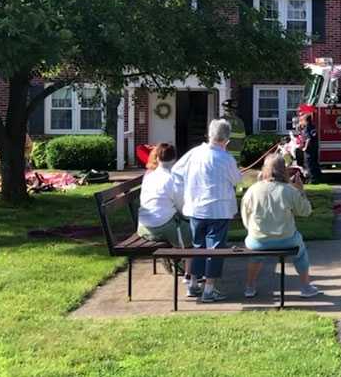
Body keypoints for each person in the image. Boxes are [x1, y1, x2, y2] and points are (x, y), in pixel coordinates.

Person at [172, 119, 242, 303]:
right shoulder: (226, 158)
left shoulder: (194, 153)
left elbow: (176, 172)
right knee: (215, 249)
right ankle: (209, 289)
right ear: (226, 140)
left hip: (196, 208)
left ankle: (193, 284)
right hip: (218, 210)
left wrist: (186, 191)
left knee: (198, 246)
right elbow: (236, 180)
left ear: (209, 135)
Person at [241, 154, 321, 299]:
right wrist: (301, 191)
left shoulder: (252, 190)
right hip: (286, 239)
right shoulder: (289, 190)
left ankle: (250, 286)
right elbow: (305, 212)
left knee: (254, 256)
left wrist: (252, 231)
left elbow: (245, 217)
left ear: (264, 169)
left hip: (258, 240)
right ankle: (305, 286)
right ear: (284, 170)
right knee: (300, 251)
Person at [136, 143, 194, 284]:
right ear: (174, 159)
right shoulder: (172, 178)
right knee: (194, 236)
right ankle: (189, 276)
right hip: (162, 226)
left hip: (143, 226)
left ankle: (178, 265)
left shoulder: (149, 176)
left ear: (158, 157)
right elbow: (182, 207)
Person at [221, 99, 246, 165]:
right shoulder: (240, 122)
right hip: (236, 157)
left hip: (223, 155)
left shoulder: (220, 121)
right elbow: (243, 140)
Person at [300, 113, 321, 183]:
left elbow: (308, 139)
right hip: (315, 147)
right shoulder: (313, 127)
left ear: (305, 120)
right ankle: (317, 178)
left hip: (309, 149)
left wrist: (305, 147)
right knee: (315, 163)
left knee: (309, 164)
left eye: (302, 120)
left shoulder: (307, 128)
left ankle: (312, 180)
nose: (301, 121)